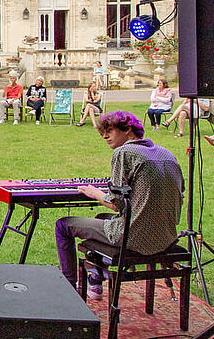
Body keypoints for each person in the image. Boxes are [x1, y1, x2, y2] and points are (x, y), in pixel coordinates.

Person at [55, 111, 183, 299]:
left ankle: (69, 288)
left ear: (127, 129)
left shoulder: (124, 152)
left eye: (109, 131)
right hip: (166, 236)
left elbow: (116, 204)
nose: (105, 136)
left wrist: (94, 193)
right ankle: (96, 277)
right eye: (103, 133)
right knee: (101, 219)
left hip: (135, 238)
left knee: (63, 225)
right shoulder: (166, 153)